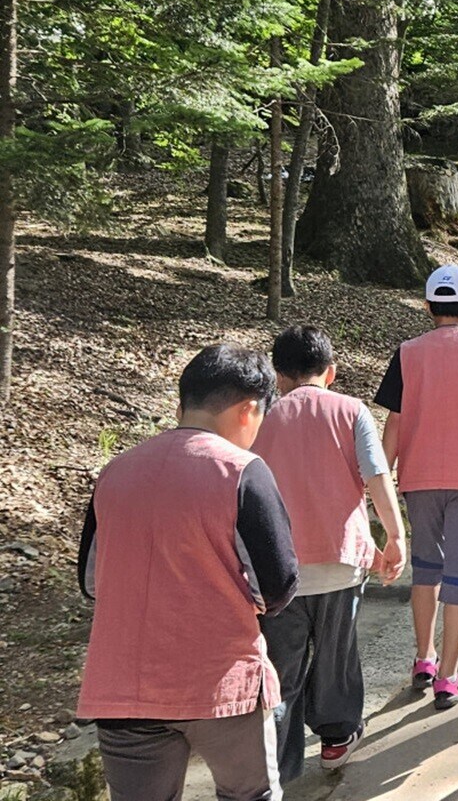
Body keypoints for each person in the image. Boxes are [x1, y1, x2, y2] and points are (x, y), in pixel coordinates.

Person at [77, 344, 298, 801]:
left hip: (122, 688)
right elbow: (278, 584)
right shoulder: (242, 472)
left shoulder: (114, 472)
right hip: (221, 685)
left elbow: (92, 582)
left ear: (182, 404)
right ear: (249, 410)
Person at [253, 325, 407, 779]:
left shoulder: (260, 419)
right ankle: (337, 737)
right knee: (337, 656)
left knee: (281, 668)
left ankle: (276, 768)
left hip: (279, 569)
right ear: (331, 372)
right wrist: (395, 536)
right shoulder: (351, 411)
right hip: (343, 562)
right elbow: (378, 476)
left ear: (278, 375)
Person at [375, 263, 458, 710]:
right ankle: (449, 677)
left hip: (418, 478)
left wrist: (378, 482)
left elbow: (394, 421)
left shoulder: (407, 353)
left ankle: (423, 658)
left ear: (429, 306)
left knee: (425, 569)